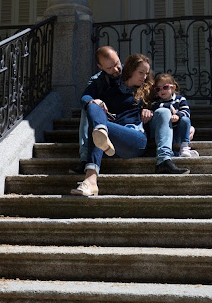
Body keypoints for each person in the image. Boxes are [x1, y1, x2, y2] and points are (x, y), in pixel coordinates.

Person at [71, 54, 189, 196]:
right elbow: (86, 97)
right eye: (141, 73)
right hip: (109, 142)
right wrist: (96, 103)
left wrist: (184, 123)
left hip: (134, 139)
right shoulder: (108, 87)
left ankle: (164, 160)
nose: (144, 77)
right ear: (130, 70)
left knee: (163, 111)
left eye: (146, 73)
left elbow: (171, 104)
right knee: (92, 107)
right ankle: (90, 176)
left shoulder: (148, 90)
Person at [72, 46, 122, 175]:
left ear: (117, 54)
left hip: (126, 121)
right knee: (88, 108)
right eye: (109, 68)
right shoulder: (98, 80)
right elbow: (84, 97)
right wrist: (93, 102)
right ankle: (84, 159)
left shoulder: (131, 73)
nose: (116, 70)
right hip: (106, 121)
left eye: (116, 64)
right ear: (100, 67)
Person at [150, 73, 199, 157]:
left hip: (178, 132)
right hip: (165, 134)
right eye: (158, 89)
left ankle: (185, 147)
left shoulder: (180, 99)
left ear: (173, 87)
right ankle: (176, 154)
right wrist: (170, 107)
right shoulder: (156, 102)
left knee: (185, 120)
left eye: (165, 87)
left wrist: (178, 115)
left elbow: (186, 112)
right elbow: (156, 110)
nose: (162, 91)